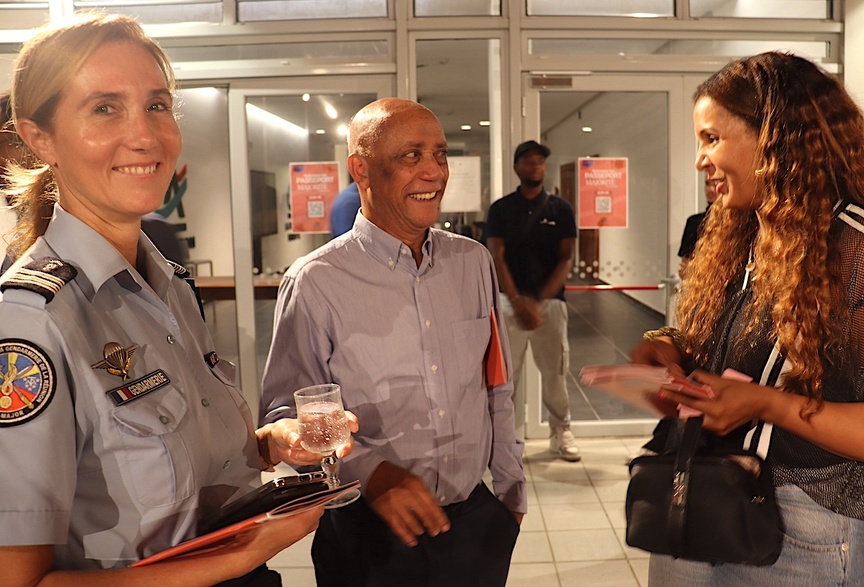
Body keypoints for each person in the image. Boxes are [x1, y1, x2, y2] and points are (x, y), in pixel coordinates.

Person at [0, 14, 358, 585]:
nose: (145, 135)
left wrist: (271, 445)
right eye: (104, 108)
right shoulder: (30, 319)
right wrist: (233, 560)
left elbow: (184, 461)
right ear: (39, 137)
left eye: (157, 105)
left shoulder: (166, 284)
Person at [260, 97, 526, 587]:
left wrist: (510, 498)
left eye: (440, 155)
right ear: (361, 169)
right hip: (369, 538)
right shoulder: (316, 282)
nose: (434, 173)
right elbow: (285, 420)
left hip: (475, 525)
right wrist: (371, 472)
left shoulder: (473, 263)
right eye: (412, 157)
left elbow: (496, 387)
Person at [631, 51, 864, 586]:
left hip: (805, 521)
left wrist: (765, 404)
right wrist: (672, 351)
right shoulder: (740, 234)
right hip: (705, 488)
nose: (700, 160)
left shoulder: (853, 250)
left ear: (777, 139)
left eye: (712, 139)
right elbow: (739, 351)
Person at [485, 140, 580, 461]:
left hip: (550, 303)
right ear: (516, 167)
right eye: (528, 162)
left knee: (555, 372)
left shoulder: (561, 209)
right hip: (509, 303)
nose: (535, 167)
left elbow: (566, 259)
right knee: (507, 377)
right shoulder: (501, 209)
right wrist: (517, 300)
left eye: (540, 162)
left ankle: (560, 431)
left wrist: (538, 300)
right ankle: (506, 440)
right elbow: (496, 256)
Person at [677, 174, 719, 264]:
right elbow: (685, 264)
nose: (710, 189)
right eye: (707, 184)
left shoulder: (737, 222)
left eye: (716, 184)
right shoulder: (694, 222)